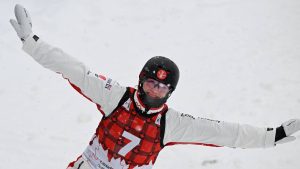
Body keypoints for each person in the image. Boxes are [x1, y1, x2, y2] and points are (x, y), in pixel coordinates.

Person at [10, 4, 300, 169]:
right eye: (151, 84)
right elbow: (75, 71)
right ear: (140, 81)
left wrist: (270, 136)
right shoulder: (115, 97)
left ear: (170, 92)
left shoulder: (170, 123)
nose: (154, 92)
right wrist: (32, 43)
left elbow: (223, 132)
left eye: (162, 88)